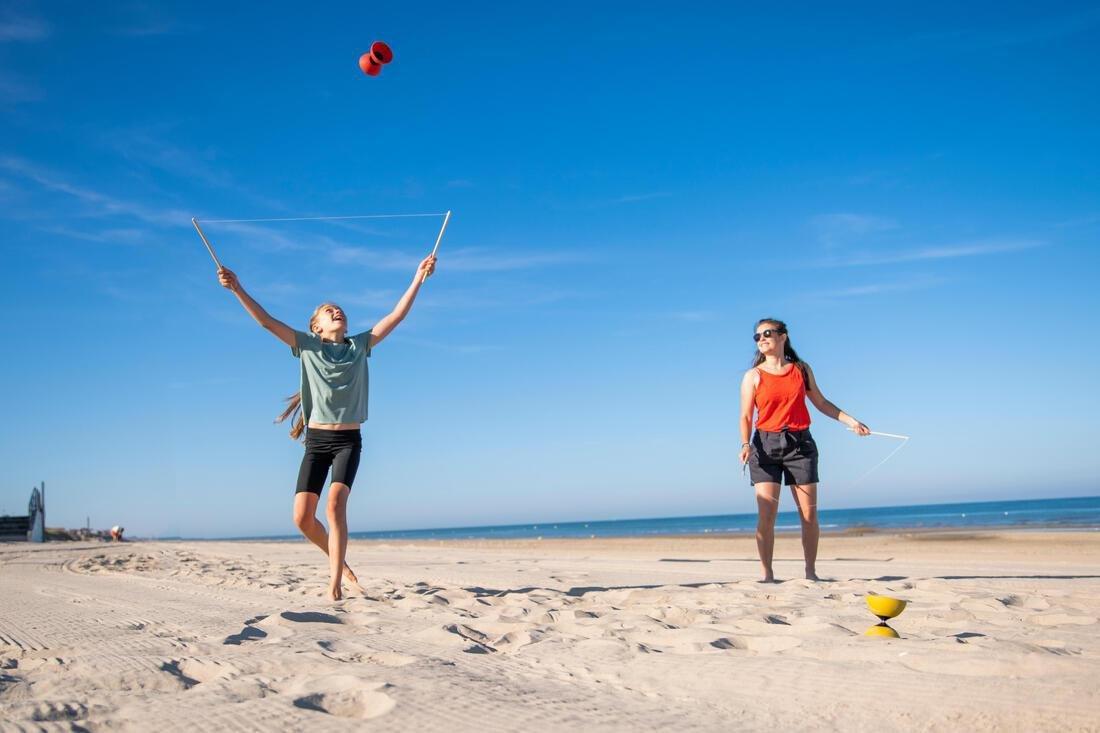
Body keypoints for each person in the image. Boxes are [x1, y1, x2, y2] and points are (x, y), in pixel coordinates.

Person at [218, 254, 437, 600]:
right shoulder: (306, 346)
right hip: (317, 442)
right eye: (328, 311)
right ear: (316, 327)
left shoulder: (359, 346)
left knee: (335, 505)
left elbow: (396, 316)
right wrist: (236, 288)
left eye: (340, 310)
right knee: (302, 519)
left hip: (348, 441)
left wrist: (418, 278)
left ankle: (335, 583)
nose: (337, 312)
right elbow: (266, 322)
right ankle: (341, 563)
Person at [738, 318, 869, 582]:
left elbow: (821, 402)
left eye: (767, 333)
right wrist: (745, 444)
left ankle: (810, 572)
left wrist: (851, 421)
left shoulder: (801, 369)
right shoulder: (753, 376)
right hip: (764, 446)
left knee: (809, 515)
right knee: (767, 515)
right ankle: (767, 574)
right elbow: (746, 416)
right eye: (757, 337)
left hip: (800, 445)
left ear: (782, 336)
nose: (761, 339)